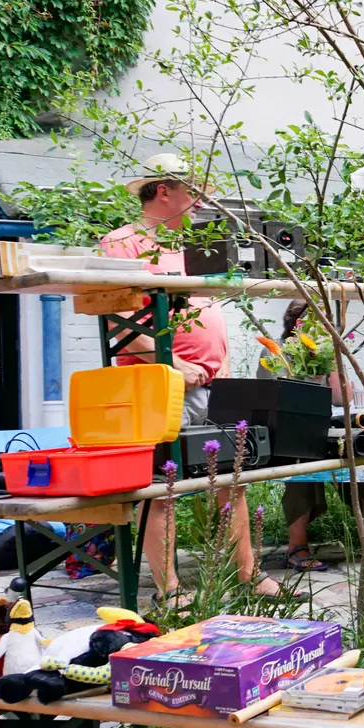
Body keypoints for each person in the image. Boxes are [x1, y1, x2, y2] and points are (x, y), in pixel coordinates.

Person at [101, 153, 281, 603]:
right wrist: (168, 362)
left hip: (214, 381)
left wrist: (219, 364)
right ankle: (171, 590)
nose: (204, 202)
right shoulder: (124, 243)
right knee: (163, 489)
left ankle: (248, 573)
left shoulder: (194, 247)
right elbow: (114, 317)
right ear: (164, 191)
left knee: (232, 479)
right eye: (195, 193)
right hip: (159, 384)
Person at [257, 300, 348, 572]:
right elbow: (273, 395)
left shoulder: (325, 352)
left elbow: (342, 399)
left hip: (319, 426)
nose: (323, 327)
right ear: (299, 323)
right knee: (301, 471)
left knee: (361, 464)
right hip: (284, 431)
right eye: (318, 321)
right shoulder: (277, 350)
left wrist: (335, 364)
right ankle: (298, 549)